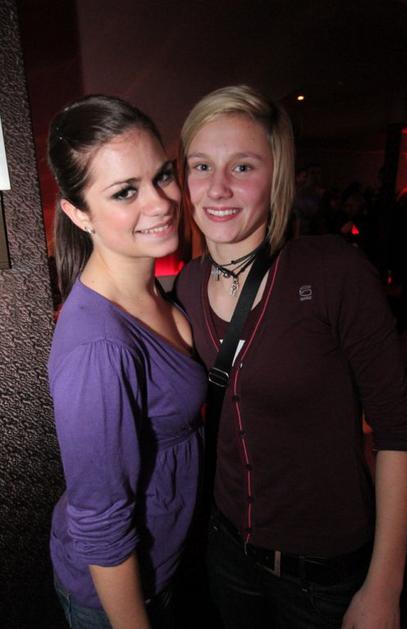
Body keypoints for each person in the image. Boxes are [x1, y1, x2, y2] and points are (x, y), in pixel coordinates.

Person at [175, 85, 407, 629]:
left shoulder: (333, 273)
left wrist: (385, 586)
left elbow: (399, 432)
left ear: (277, 176)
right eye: (201, 165)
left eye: (242, 166)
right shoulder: (187, 285)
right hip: (226, 554)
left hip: (323, 577)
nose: (217, 187)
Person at [47, 95, 207, 629]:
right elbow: (100, 521)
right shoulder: (98, 347)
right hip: (120, 597)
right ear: (78, 213)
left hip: (166, 564)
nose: (161, 203)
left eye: (162, 176)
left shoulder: (156, 288)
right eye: (125, 192)